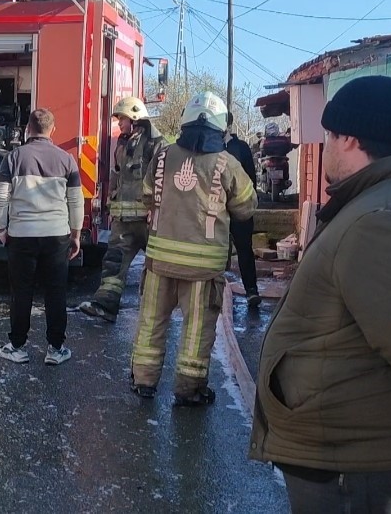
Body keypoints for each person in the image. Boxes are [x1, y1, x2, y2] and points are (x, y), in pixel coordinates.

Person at [250, 76, 391, 513]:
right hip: (359, 454)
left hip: (358, 467)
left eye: (329, 135)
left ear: (349, 138)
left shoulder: (382, 220)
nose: (324, 146)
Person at [130, 92, 256, 404]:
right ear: (220, 129)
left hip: (159, 261)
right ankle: (189, 389)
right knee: (197, 329)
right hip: (203, 267)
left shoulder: (162, 157)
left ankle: (143, 381)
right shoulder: (228, 163)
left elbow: (146, 196)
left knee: (150, 322)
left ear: (185, 121)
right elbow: (245, 208)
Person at [0, 108, 83, 366]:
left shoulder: (13, 158)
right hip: (56, 235)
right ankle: (55, 349)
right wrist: (75, 234)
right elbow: (75, 201)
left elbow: (0, 197)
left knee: (21, 291)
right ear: (52, 130)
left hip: (22, 236)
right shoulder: (67, 160)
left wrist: (1, 229)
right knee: (56, 292)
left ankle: (17, 346)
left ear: (27, 129)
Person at [78, 97, 167, 323]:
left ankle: (159, 312)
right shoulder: (123, 144)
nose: (119, 124)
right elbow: (118, 177)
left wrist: (156, 208)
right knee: (114, 261)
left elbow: (163, 180)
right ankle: (105, 305)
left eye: (122, 119)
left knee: (159, 267)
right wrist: (111, 204)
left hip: (149, 220)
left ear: (135, 118)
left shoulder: (157, 145)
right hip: (124, 221)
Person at [223, 117, 261, 308]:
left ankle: (251, 291)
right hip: (217, 211)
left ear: (228, 125)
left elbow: (251, 178)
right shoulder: (209, 148)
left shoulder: (241, 148)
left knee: (244, 249)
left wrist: (246, 205)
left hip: (239, 210)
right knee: (218, 251)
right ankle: (217, 293)